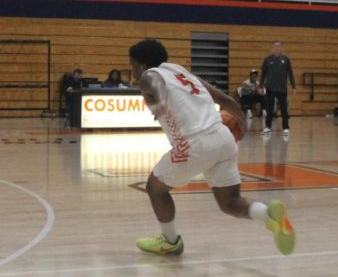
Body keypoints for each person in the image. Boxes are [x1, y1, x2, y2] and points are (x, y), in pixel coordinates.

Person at [126, 38, 295, 257]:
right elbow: (222, 98)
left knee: (155, 188)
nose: (132, 71)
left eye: (132, 65)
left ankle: (170, 241)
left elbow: (152, 82)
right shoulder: (179, 70)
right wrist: (240, 118)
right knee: (229, 202)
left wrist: (159, 104)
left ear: (142, 64)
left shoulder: (149, 76)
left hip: (194, 144)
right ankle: (270, 216)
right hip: (223, 137)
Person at [260, 41, 297, 137]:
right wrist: (260, 86)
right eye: (275, 46)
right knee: (269, 108)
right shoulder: (267, 60)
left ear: (281, 48)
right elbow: (263, 74)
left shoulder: (286, 60)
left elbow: (290, 74)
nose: (277, 48)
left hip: (282, 89)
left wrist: (293, 86)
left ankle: (285, 128)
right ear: (272, 48)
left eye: (279, 46)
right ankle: (268, 127)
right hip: (270, 88)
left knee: (284, 109)